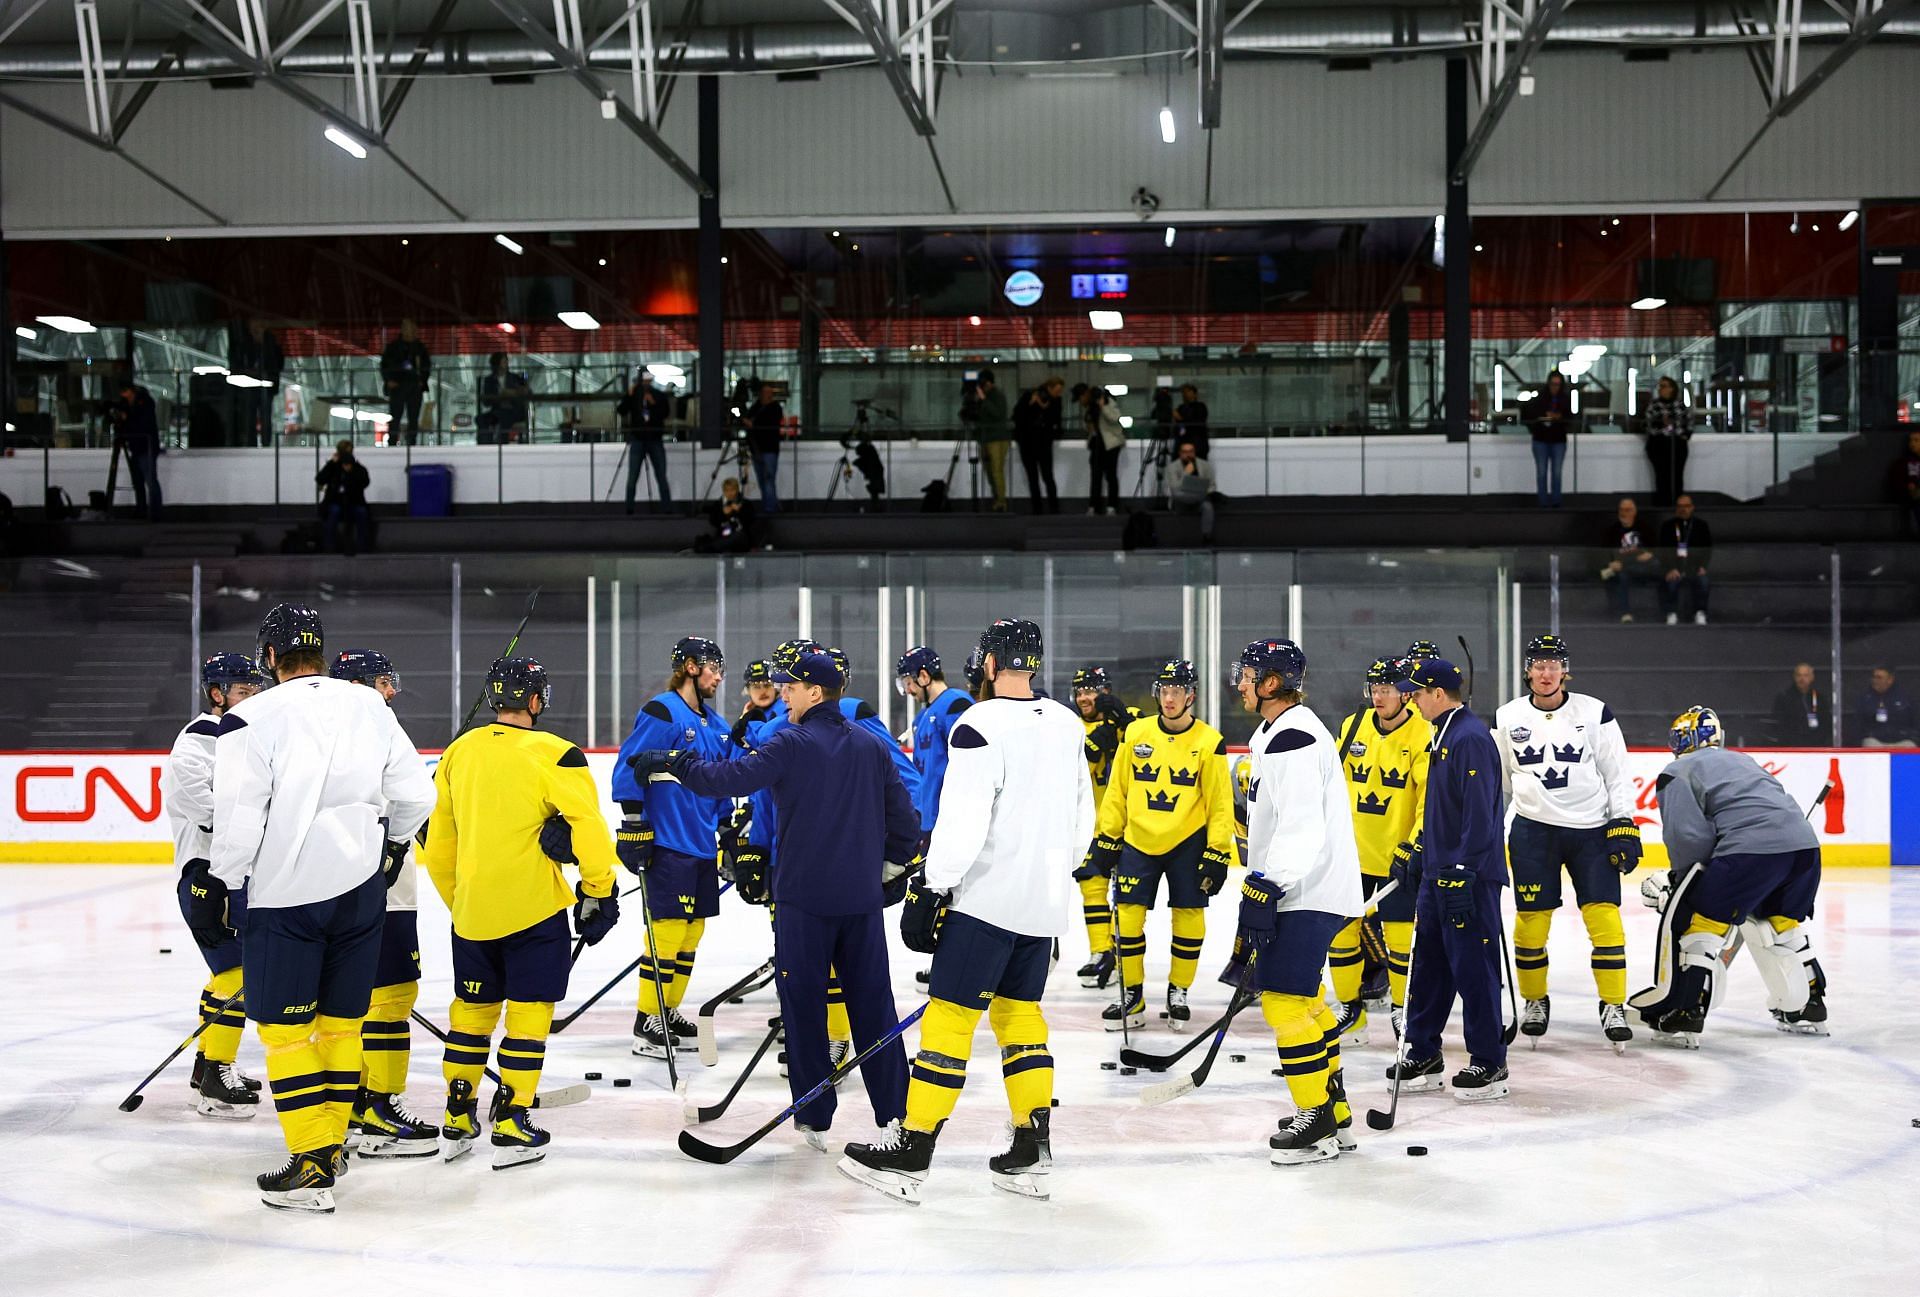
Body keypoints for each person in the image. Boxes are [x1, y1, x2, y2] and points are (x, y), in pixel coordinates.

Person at [840, 619, 1093, 1203]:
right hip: (1044, 905)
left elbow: (963, 820)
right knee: (1020, 1017)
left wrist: (932, 887)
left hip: (985, 904)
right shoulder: (1065, 721)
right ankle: (1031, 1148)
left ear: (986, 664)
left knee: (950, 1020)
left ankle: (913, 1147)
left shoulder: (978, 723)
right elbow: (1084, 818)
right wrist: (1050, 877)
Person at [629, 650, 923, 1151]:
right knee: (874, 1006)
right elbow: (906, 821)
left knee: (804, 1007)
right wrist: (890, 867)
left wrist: (679, 762)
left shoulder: (790, 741)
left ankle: (814, 1115)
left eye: (791, 686)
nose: (782, 692)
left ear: (815, 693)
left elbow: (727, 779)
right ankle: (895, 1115)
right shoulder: (871, 747)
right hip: (859, 902)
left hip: (803, 903)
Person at [201, 604, 434, 1212]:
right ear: (322, 652)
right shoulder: (368, 705)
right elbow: (415, 794)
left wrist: (228, 885)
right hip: (361, 891)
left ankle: (310, 1162)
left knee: (285, 1031)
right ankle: (329, 1145)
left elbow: (238, 820)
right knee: (340, 1025)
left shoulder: (249, 717)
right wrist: (391, 846)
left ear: (269, 657)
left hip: (286, 893)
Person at [419, 657, 620, 1167]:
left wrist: (463, 899)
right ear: (535, 701)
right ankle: (511, 1119)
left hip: (472, 916)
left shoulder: (456, 753)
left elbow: (439, 846)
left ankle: (458, 1114)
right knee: (528, 1016)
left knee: (471, 1014)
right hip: (534, 913)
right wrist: (598, 890)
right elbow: (591, 832)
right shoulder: (558, 754)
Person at [1228, 638, 1365, 1164]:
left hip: (1306, 888)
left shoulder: (1295, 738)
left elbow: (1302, 827)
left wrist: (1268, 882)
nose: (1240, 682)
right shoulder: (1274, 734)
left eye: (1248, 675)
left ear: (1271, 682)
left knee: (1284, 1001)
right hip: (1306, 886)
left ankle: (1316, 1123)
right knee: (1306, 1000)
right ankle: (1335, 1113)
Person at [1629, 707, 1827, 1045]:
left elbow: (1688, 837)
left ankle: (1686, 1010)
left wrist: (1682, 880)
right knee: (1781, 924)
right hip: (1805, 852)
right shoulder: (1743, 761)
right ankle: (1810, 1003)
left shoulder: (1677, 770)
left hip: (1750, 853)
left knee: (1702, 923)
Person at [1493, 634, 1638, 1050]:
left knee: (1605, 920)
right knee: (1531, 923)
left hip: (1591, 830)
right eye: (1538, 664)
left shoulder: (1595, 712)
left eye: (1553, 664)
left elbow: (1617, 773)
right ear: (1528, 670)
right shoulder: (1506, 716)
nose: (1545, 672)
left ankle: (1613, 1005)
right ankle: (1535, 1001)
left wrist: (1622, 820)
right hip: (1533, 830)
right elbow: (1500, 778)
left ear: (1565, 670)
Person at [321, 649, 439, 1157]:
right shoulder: (383, 731)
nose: (392, 691)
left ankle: (348, 1104)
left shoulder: (319, 735)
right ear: (360, 684)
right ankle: (379, 1108)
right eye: (384, 681)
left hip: (327, 888)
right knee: (391, 999)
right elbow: (412, 802)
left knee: (350, 1003)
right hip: (386, 892)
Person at [1090, 658, 1235, 1031]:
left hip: (1188, 842)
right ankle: (1132, 993)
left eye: (1178, 691)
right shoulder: (1135, 734)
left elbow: (1219, 804)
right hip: (1138, 839)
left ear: (1192, 696)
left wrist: (1218, 851)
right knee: (1127, 918)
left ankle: (1178, 990)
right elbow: (1118, 791)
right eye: (1165, 691)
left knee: (1188, 917)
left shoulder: (1209, 741)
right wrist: (1108, 836)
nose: (1170, 699)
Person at [1390, 658, 1509, 1101]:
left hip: (1467, 878)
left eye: (1417, 693)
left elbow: (1481, 814)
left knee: (1473, 969)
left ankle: (1489, 1060)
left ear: (1438, 694)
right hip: (1438, 873)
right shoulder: (1441, 734)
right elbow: (1444, 810)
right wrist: (1423, 852)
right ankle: (1423, 1051)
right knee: (1429, 967)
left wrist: (1463, 869)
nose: (1412, 700)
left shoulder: (1470, 737)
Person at [610, 637, 731, 1057]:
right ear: (692, 667)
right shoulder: (663, 711)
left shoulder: (716, 725)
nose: (719, 676)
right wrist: (633, 825)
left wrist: (727, 832)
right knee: (666, 931)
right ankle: (648, 1018)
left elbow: (722, 785)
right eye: (714, 667)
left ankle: (670, 1007)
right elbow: (629, 767)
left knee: (693, 931)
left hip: (700, 843)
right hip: (667, 841)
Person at [162, 651, 268, 1120]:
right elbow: (199, 805)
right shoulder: (197, 741)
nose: (251, 698)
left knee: (228, 973)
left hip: (232, 873)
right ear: (217, 692)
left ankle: (207, 1066)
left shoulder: (246, 737)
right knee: (237, 975)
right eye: (243, 691)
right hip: (208, 876)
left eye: (255, 690)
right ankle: (215, 1074)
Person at [1326, 655, 1430, 1045]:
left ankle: (1404, 1011)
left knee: (1400, 940)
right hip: (1350, 856)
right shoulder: (1353, 726)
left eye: (1387, 689)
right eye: (1374, 688)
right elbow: (1332, 784)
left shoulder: (1422, 734)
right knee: (1340, 934)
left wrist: (1414, 844)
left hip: (1395, 858)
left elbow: (1428, 800)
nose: (1379, 696)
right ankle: (1351, 1012)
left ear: (1405, 694)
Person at [1069, 665, 1137, 989]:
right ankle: (1101, 952)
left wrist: (1123, 723)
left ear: (1106, 691)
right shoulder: (1072, 727)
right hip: (1090, 825)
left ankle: (1124, 957)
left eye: (1090, 689)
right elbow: (1077, 761)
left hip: (1130, 823)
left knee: (1127, 893)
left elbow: (1144, 743)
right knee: (1091, 887)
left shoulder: (1130, 715)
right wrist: (1101, 736)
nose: (1084, 696)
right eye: (1079, 690)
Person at [897, 645, 973, 835]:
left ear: (923, 676)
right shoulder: (922, 716)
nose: (907, 690)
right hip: (928, 820)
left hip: (950, 821)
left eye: (908, 682)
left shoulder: (956, 705)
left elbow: (969, 764)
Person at [1599, 496, 1658, 622]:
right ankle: (1625, 613)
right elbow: (1603, 553)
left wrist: (1651, 554)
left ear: (1634, 511)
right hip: (1622, 570)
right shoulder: (1612, 530)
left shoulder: (1645, 528)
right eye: (1621, 510)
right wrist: (1610, 563)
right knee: (1621, 574)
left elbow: (1656, 550)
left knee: (1656, 565)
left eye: (1627, 510)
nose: (1624, 513)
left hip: (1643, 567)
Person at [1655, 494, 1712, 625]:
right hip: (1674, 566)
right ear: (1676, 509)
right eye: (1680, 506)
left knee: (1703, 581)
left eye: (1686, 506)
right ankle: (1671, 613)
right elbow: (1663, 550)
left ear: (1692, 508)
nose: (1683, 509)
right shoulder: (1667, 526)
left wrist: (1703, 566)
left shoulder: (1701, 526)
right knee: (1670, 581)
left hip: (1694, 567)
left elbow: (1707, 548)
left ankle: (1700, 612)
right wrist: (1670, 568)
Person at [110, 381, 163, 520]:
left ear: (131, 391)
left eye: (125, 392)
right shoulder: (126, 404)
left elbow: (143, 424)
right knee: (138, 481)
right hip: (135, 446)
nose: (123, 396)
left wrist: (127, 420)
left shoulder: (144, 403)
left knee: (150, 480)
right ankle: (141, 510)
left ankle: (155, 513)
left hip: (146, 446)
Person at [619, 371, 671, 508]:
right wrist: (628, 397)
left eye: (648, 381)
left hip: (654, 438)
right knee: (632, 476)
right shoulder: (634, 395)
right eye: (643, 381)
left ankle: (667, 508)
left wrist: (653, 403)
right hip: (638, 438)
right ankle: (629, 508)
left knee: (661, 476)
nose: (645, 384)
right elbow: (621, 410)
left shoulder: (659, 395)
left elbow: (665, 413)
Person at [1011, 377, 1062, 513]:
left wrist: (1044, 406)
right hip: (1028, 443)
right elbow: (1016, 415)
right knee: (1032, 477)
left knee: (1048, 476)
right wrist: (1031, 403)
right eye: (1056, 391)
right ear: (1049, 388)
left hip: (1044, 443)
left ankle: (1054, 507)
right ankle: (1037, 508)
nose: (1058, 394)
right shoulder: (1029, 396)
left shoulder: (1056, 401)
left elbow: (1055, 419)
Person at [230, 319, 284, 445]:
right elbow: (240, 360)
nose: (256, 330)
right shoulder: (246, 343)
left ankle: (266, 442)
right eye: (254, 327)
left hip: (266, 385)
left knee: (265, 415)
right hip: (250, 384)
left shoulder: (271, 343)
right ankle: (251, 442)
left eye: (259, 327)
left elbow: (277, 363)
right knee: (250, 414)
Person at [1524, 370, 1573, 508]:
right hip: (1541, 439)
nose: (1555, 387)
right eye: (1552, 384)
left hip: (1558, 440)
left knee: (1557, 472)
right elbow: (1530, 412)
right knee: (1541, 472)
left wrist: (1560, 417)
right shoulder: (1540, 398)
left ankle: (1556, 501)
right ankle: (1543, 502)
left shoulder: (1565, 399)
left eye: (1557, 384)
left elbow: (1570, 417)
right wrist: (1544, 414)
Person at [316, 440, 372, 556]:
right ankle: (329, 546)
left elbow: (364, 482)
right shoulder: (333, 467)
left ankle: (363, 546)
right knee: (334, 512)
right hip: (335, 502)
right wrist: (331, 463)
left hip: (354, 501)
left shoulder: (358, 468)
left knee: (361, 512)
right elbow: (320, 479)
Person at [1643, 376, 1693, 505]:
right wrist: (1662, 425)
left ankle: (1678, 503)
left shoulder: (1680, 405)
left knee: (1677, 475)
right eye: (1659, 386)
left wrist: (1682, 435)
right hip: (1659, 444)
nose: (1660, 389)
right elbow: (1648, 425)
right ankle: (1662, 503)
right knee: (1662, 475)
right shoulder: (1654, 405)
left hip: (1677, 444)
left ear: (1672, 388)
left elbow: (1688, 425)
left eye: (1664, 386)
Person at [380, 319, 431, 444]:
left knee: (413, 417)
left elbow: (426, 367)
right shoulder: (393, 348)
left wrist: (421, 381)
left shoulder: (420, 348)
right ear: (403, 330)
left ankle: (411, 441)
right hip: (397, 385)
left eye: (414, 330)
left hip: (414, 385)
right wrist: (389, 380)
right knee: (395, 415)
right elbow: (385, 366)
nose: (413, 332)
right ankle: (392, 441)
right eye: (410, 329)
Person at [1164, 439, 1220, 543]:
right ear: (1180, 453)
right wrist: (1185, 473)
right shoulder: (1172, 468)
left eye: (1191, 451)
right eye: (1185, 452)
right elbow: (1174, 486)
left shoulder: (1204, 465)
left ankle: (1206, 535)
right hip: (1181, 501)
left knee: (1207, 507)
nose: (1188, 455)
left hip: (1199, 499)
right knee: (1177, 493)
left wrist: (1205, 491)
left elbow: (1212, 485)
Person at [971, 370, 1011, 512]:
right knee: (989, 471)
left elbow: (997, 414)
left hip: (997, 438)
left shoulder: (997, 395)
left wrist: (984, 400)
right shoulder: (984, 396)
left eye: (983, 384)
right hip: (985, 437)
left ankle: (1001, 501)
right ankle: (996, 497)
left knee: (996, 470)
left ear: (989, 383)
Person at [1085, 386, 1125, 516]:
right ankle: (1093, 506)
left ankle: (1112, 506)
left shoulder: (1110, 403)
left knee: (1111, 475)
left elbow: (1115, 418)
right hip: (1097, 444)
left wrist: (1103, 406)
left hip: (1111, 444)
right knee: (1096, 476)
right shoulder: (1091, 406)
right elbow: (1089, 420)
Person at [1855, 666, 1916, 747]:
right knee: (1869, 743)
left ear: (1890, 680)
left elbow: (1914, 720)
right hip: (1875, 740)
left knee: (1910, 746)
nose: (1875, 680)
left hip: (1902, 740)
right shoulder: (1865, 698)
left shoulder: (1904, 698)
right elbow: (1859, 723)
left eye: (1879, 678)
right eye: (1874, 677)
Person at [746, 383, 784, 514]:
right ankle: (768, 504)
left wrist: (754, 424)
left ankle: (769, 508)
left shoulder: (775, 408)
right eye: (766, 393)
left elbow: (770, 423)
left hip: (769, 449)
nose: (768, 396)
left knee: (768, 478)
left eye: (770, 394)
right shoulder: (755, 407)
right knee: (762, 479)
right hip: (756, 448)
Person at [476, 352, 530, 445]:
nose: (506, 364)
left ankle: (502, 444)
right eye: (504, 362)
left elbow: (527, 392)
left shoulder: (516, 378)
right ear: (496, 364)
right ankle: (486, 446)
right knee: (481, 419)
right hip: (497, 411)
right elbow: (486, 402)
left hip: (514, 411)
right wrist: (498, 397)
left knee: (502, 418)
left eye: (506, 362)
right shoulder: (489, 380)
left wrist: (513, 393)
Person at [1768, 662, 1828, 745]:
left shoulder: (1819, 698)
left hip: (1815, 744)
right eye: (1799, 675)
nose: (1802, 679)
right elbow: (1779, 723)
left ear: (1812, 677)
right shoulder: (1784, 697)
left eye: (1805, 675)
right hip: (1791, 745)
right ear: (1794, 677)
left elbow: (1826, 722)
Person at [698, 477, 756, 554]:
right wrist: (723, 514)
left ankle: (711, 547)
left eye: (732, 490)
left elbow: (750, 521)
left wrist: (738, 511)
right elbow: (713, 521)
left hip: (741, 538)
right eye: (727, 491)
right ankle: (713, 546)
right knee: (722, 541)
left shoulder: (746, 504)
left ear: (737, 490)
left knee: (738, 535)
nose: (730, 493)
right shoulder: (718, 504)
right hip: (723, 536)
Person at [1892, 428, 1920, 538]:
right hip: (1912, 496)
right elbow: (1902, 483)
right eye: (1911, 440)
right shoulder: (1905, 463)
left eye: (1916, 440)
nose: (1912, 444)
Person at [1173, 383, 1210, 459]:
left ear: (1195, 394)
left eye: (1188, 392)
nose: (1185, 394)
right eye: (1184, 392)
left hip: (1198, 445)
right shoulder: (1181, 408)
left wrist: (1180, 419)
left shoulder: (1200, 406)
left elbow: (1196, 423)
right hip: (1182, 443)